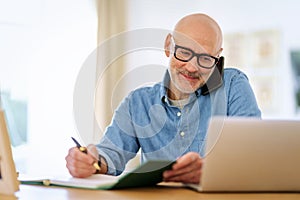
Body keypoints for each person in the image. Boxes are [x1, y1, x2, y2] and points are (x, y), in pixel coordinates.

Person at [65, 13, 261, 184]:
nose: (192, 68)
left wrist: (210, 170)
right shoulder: (137, 103)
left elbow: (254, 154)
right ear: (169, 45)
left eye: (205, 59)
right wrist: (91, 163)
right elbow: (110, 155)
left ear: (217, 58)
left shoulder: (233, 85)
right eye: (184, 52)